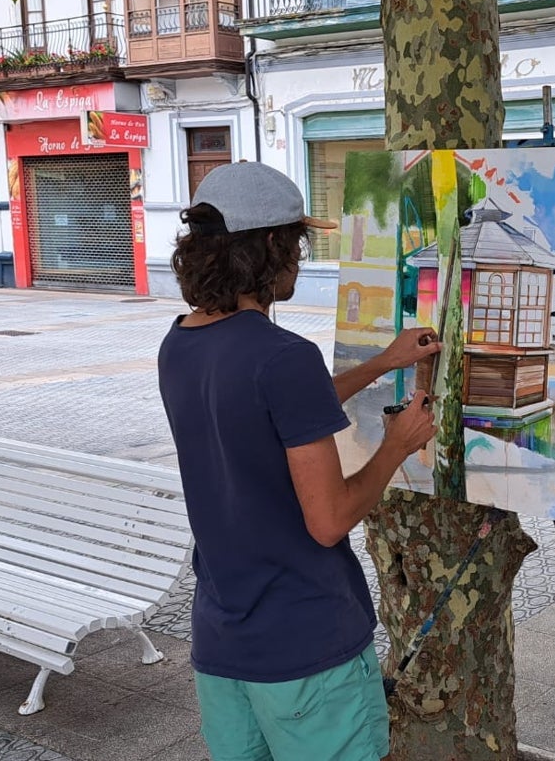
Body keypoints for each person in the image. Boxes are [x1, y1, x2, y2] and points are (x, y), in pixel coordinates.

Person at [158, 161, 439, 761]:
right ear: (268, 247)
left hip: (222, 646)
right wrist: (396, 446)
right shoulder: (284, 356)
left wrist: (379, 364)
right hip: (305, 648)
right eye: (296, 242)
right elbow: (329, 519)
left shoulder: (179, 343)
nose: (301, 258)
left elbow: (268, 414)